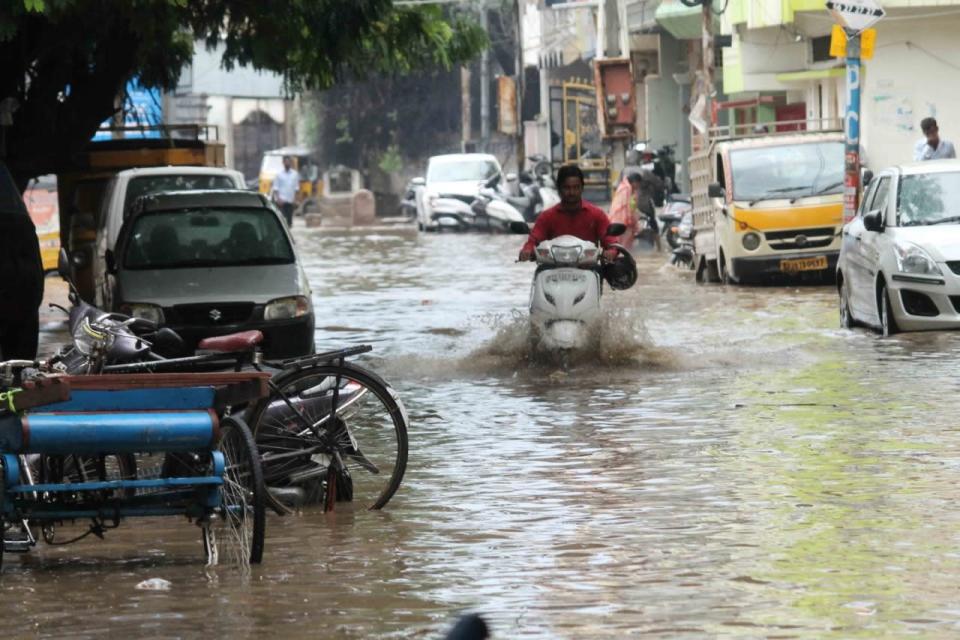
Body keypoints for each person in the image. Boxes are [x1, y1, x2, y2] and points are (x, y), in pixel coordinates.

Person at [518, 164, 620, 262]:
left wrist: (611, 252)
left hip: (588, 270)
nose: (572, 192)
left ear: (582, 188)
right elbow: (534, 239)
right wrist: (527, 250)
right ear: (559, 189)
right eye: (567, 188)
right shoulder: (547, 217)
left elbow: (611, 241)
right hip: (553, 272)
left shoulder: (597, 215)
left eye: (576, 187)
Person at [0, 163, 44, 360]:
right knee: (19, 367)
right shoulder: (22, 225)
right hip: (24, 303)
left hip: (23, 299)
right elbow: (36, 279)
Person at [608, 172, 643, 250]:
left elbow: (632, 206)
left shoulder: (629, 189)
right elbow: (625, 206)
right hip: (621, 219)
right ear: (634, 182)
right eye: (638, 184)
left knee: (624, 241)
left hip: (623, 219)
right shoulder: (626, 189)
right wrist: (630, 220)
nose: (638, 186)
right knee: (622, 242)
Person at [270, 156, 300, 226]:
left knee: (289, 222)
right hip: (281, 202)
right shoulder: (279, 175)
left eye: (288, 162)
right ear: (283, 163)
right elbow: (275, 188)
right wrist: (278, 199)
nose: (287, 163)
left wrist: (296, 200)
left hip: (290, 201)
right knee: (281, 220)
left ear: (290, 163)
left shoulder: (295, 174)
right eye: (286, 162)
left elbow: (296, 188)